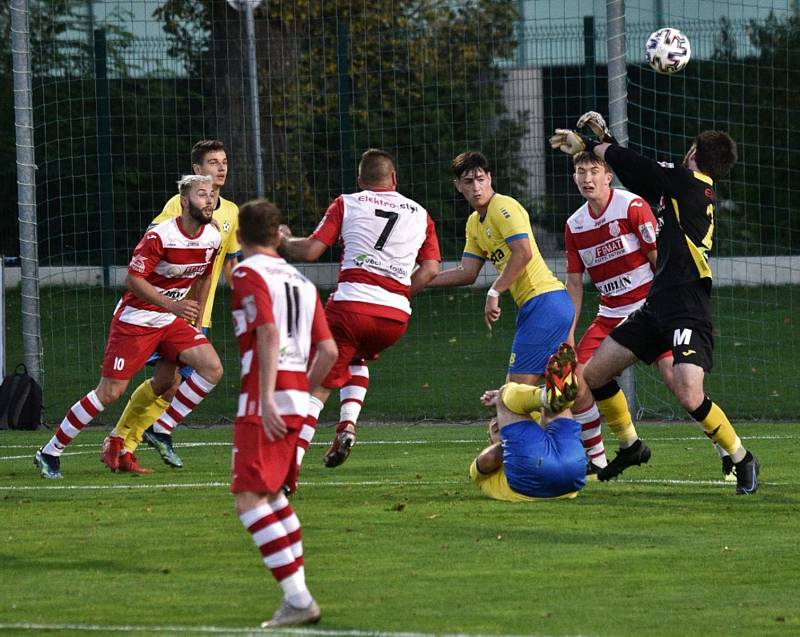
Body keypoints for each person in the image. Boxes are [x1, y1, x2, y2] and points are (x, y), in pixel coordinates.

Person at [549, 112, 759, 494]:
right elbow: (642, 175)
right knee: (592, 376)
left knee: (688, 391)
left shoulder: (688, 183)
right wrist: (607, 142)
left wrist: (594, 145)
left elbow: (640, 167)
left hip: (687, 308)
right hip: (655, 306)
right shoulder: (682, 190)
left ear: (693, 152)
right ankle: (630, 447)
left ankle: (740, 457)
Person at [34, 175, 224, 479]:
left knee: (211, 368)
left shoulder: (212, 237)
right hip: (136, 320)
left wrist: (197, 323)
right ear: (185, 202)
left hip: (169, 321)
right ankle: (50, 452)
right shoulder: (160, 236)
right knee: (109, 392)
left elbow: (203, 278)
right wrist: (173, 305)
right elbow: (133, 281)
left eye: (212, 195)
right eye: (202, 194)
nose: (209, 200)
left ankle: (161, 429)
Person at [280, 148, 441, 468]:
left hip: (351, 308)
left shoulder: (347, 202)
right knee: (357, 356)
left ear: (360, 181)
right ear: (394, 179)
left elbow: (311, 250)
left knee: (319, 382)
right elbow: (431, 269)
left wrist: (283, 240)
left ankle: (289, 464)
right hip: (394, 319)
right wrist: (399, 292)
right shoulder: (421, 214)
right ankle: (347, 424)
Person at [229, 198, 337, 627]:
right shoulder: (301, 281)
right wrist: (300, 393)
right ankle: (298, 596)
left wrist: (268, 395)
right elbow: (327, 351)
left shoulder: (245, 272)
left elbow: (269, 332)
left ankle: (298, 599)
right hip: (296, 394)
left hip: (265, 396)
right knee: (272, 496)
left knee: (249, 499)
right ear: (279, 235)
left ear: (239, 236)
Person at [101, 139, 240, 473]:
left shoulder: (232, 212)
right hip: (162, 312)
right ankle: (129, 439)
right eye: (212, 162)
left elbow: (229, 263)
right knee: (170, 383)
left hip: (195, 315)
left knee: (169, 383)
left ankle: (123, 441)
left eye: (224, 161)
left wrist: (248, 298)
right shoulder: (180, 205)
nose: (220, 168)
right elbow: (153, 244)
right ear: (196, 171)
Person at [426, 151, 575, 411]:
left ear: (490, 178)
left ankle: (545, 402)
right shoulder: (474, 223)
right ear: (458, 186)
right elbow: (468, 272)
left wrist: (494, 291)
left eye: (480, 179)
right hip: (544, 306)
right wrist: (419, 281)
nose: (476, 187)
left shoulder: (502, 206)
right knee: (563, 399)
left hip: (544, 303)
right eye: (468, 181)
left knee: (511, 402)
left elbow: (523, 252)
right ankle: (612, 444)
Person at [470, 343, 586, 501]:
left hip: (572, 477)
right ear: (490, 441)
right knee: (507, 391)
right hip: (538, 473)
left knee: (552, 407)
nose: (498, 424)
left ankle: (550, 396)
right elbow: (490, 459)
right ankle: (546, 396)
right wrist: (501, 401)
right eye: (496, 430)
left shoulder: (531, 441)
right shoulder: (482, 472)